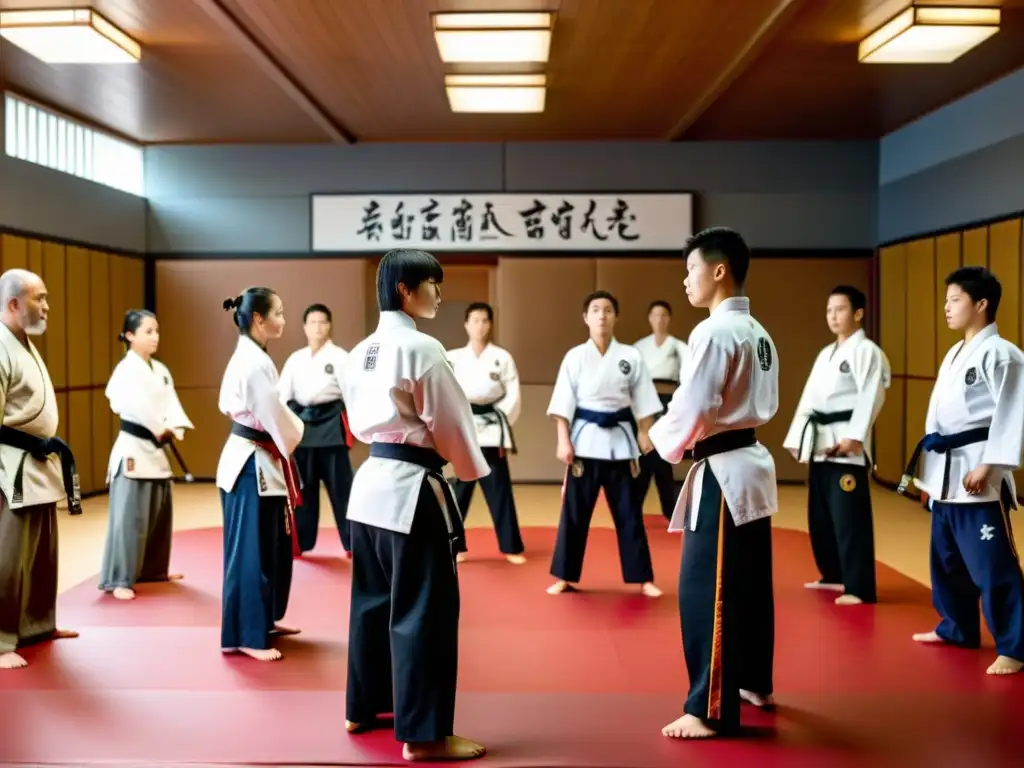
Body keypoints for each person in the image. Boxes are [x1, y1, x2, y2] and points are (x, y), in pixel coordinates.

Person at [342, 248, 488, 762]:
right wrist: (470, 469)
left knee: (372, 602)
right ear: (407, 288)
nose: (440, 295)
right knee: (424, 610)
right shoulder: (423, 348)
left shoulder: (357, 351)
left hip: (368, 488)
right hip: (409, 489)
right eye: (434, 284)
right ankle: (424, 736)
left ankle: (365, 706)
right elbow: (451, 422)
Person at [648, 227, 778, 739]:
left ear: (719, 270)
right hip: (747, 464)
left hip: (724, 473)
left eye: (691, 269)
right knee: (749, 584)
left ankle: (707, 706)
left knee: (709, 589)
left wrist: (658, 442)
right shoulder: (759, 331)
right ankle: (753, 681)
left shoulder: (714, 331)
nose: (685, 281)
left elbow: (696, 405)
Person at [900, 266, 1024, 677]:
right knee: (947, 560)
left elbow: (1013, 414)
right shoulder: (956, 351)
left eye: (955, 300)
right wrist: (928, 478)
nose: (947, 308)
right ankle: (956, 627)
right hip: (947, 473)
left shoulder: (1002, 353)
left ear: (981, 304)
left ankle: (1015, 645)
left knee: (992, 564)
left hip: (977, 473)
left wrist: (990, 465)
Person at [546, 290, 663, 598]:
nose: (602, 315)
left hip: (621, 445)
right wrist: (563, 440)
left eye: (608, 310)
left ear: (616, 317)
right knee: (574, 514)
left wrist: (645, 432)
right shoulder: (575, 356)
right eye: (595, 310)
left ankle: (643, 578)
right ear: (586, 318)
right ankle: (564, 575)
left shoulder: (630, 356)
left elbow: (645, 400)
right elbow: (562, 404)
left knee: (629, 514)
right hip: (584, 443)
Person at [782, 286, 890, 605]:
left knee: (849, 520)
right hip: (820, 443)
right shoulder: (825, 353)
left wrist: (855, 436)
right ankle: (833, 574)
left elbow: (872, 395)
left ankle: (859, 586)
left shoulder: (866, 351)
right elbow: (809, 399)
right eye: (829, 310)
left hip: (846, 444)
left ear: (858, 313)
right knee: (821, 516)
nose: (833, 316)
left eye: (840, 309)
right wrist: (796, 438)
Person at [215, 287, 304, 662]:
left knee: (270, 549)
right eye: (279, 313)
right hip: (249, 463)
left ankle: (263, 619)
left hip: (260, 459)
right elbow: (274, 414)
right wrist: (297, 431)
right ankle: (246, 635)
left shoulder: (254, 357)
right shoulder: (251, 363)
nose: (283, 320)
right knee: (251, 553)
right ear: (258, 319)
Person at [0, 269, 80, 670]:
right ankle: (0, 640)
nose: (47, 306)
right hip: (10, 466)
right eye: (39, 298)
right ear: (13, 304)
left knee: (42, 555)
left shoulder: (25, 344)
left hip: (39, 463)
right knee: (8, 557)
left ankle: (36, 625)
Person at [99, 309, 195, 600]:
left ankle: (152, 570)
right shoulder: (126, 369)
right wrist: (157, 428)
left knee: (158, 515)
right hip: (133, 447)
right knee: (129, 519)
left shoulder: (161, 370)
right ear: (130, 336)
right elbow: (127, 404)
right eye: (148, 331)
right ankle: (119, 578)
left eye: (156, 331)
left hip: (156, 450)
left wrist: (174, 428)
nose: (155, 337)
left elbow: (172, 405)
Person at [446, 302, 526, 565]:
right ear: (466, 324)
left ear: (490, 325)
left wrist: (500, 416)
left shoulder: (502, 357)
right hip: (463, 427)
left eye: (484, 320)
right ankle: (454, 546)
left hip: (492, 425)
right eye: (475, 320)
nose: (480, 325)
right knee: (459, 492)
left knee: (499, 488)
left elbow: (512, 392)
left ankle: (510, 546)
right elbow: (443, 391)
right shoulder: (453, 357)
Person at [278, 303, 354, 556]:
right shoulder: (295, 359)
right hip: (302, 426)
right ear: (304, 327)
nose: (318, 327)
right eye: (313, 322)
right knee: (303, 490)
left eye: (322, 322)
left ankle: (353, 543)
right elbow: (282, 396)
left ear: (329, 325)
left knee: (342, 490)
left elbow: (352, 394)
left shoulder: (341, 357)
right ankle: (302, 543)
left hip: (332, 425)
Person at [633, 300, 690, 521]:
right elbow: (634, 380)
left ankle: (669, 508)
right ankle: (664, 508)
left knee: (663, 454)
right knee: (648, 453)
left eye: (664, 315)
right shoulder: (639, 347)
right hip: (646, 402)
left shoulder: (679, 347)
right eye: (655, 315)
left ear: (669, 319)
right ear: (649, 319)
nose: (660, 319)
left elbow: (688, 378)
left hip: (670, 403)